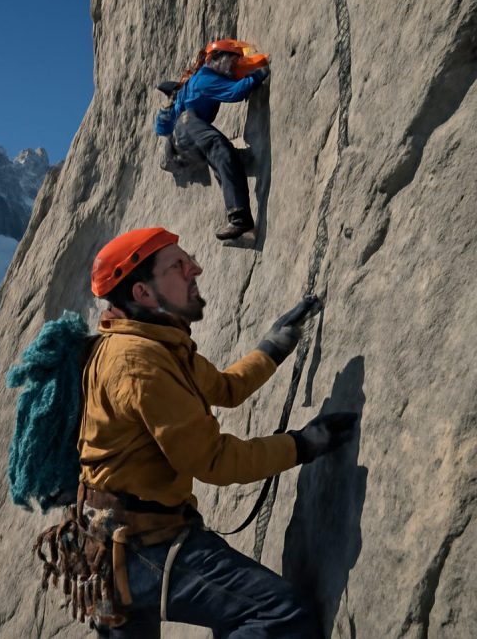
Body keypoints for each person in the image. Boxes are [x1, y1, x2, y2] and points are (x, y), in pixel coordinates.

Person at [82, 227, 359, 638]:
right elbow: (212, 461)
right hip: (142, 549)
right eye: (178, 265)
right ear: (142, 293)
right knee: (278, 616)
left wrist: (273, 346)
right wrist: (302, 445)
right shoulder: (139, 362)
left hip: (113, 549)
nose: (195, 268)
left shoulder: (153, 341)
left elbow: (224, 389)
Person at [157, 41, 270, 240]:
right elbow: (235, 92)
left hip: (182, 140)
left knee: (222, 156)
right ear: (216, 59)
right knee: (218, 147)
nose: (235, 66)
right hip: (184, 131)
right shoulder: (205, 78)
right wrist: (258, 73)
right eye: (233, 61)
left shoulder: (196, 81)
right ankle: (239, 218)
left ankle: (238, 165)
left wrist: (168, 106)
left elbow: (162, 128)